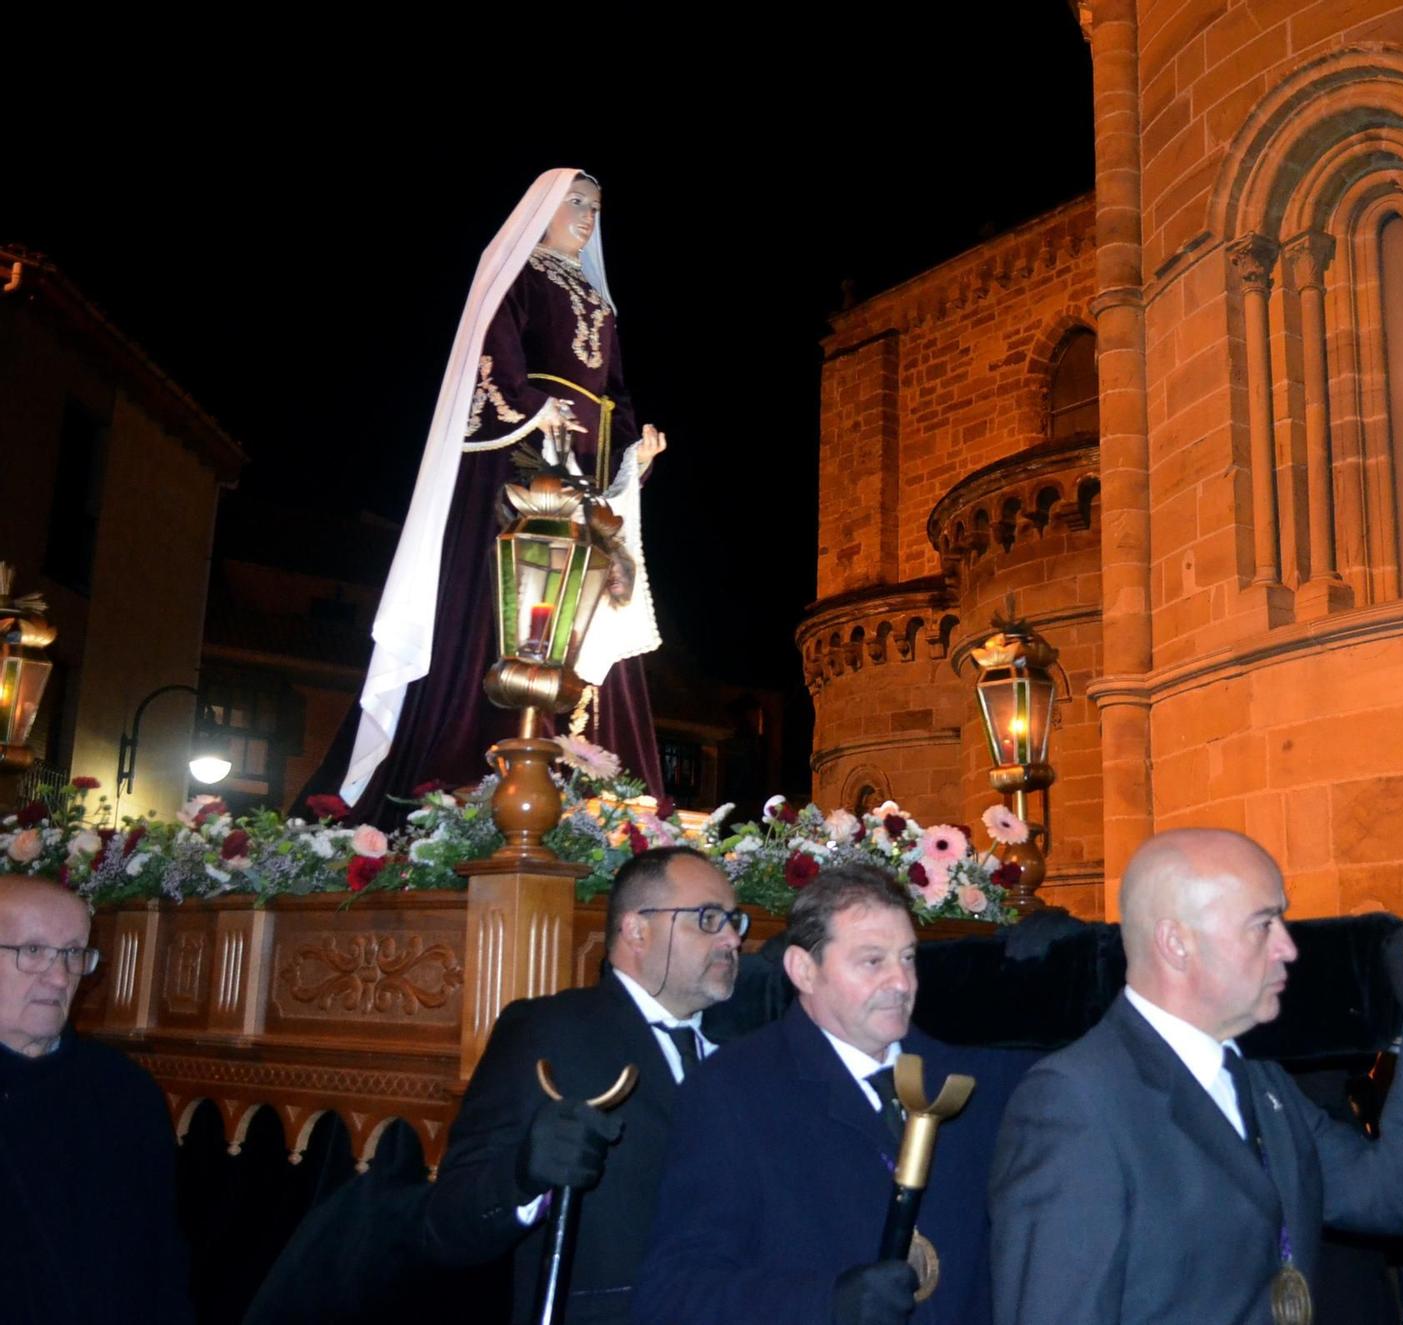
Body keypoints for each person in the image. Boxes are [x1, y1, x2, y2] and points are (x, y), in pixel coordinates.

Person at [987, 828, 1403, 1325]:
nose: (1288, 949)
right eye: (1263, 924)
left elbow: (1395, 1199)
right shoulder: (1078, 1100)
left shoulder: (1259, 1082)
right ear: (1176, 943)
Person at [308, 168, 667, 821]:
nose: (588, 217)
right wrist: (536, 411)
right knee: (504, 602)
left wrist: (630, 451)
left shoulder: (601, 303)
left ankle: (585, 768)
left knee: (586, 609)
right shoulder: (517, 274)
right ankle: (467, 762)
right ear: (544, 210)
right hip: (520, 461)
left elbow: (614, 392)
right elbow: (492, 361)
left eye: (596, 207)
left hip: (582, 472)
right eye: (575, 203)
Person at [632, 863, 1027, 1325]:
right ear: (803, 969)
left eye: (907, 958)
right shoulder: (733, 1092)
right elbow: (674, 1293)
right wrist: (824, 1304)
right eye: (872, 961)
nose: (901, 983)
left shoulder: (970, 1084)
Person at [423, 847, 741, 1324]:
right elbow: (445, 1228)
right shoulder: (554, 1031)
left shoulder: (746, 1049)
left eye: (735, 921)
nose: (733, 939)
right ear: (637, 929)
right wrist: (522, 1175)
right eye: (709, 918)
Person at [0, 878, 192, 1324]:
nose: (59, 975)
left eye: (72, 953)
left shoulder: (122, 1089)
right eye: (32, 951)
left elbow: (161, 1256)